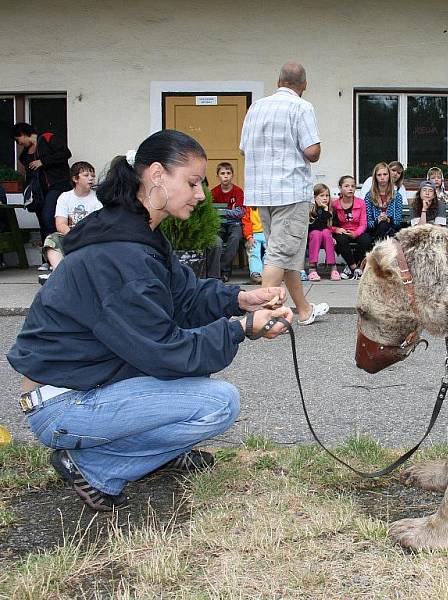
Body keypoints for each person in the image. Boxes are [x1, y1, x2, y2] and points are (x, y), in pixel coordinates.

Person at [6, 130, 292, 512]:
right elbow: (166, 351)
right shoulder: (120, 255)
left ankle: (157, 452)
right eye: (192, 182)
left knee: (195, 374)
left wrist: (241, 299)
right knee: (219, 403)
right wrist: (242, 328)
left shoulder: (137, 233)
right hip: (61, 405)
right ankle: (94, 466)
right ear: (157, 175)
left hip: (89, 383)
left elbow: (185, 297)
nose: (201, 195)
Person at [239, 61, 328, 325]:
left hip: (262, 192)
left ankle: (304, 309)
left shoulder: (256, 107)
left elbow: (244, 148)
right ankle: (261, 315)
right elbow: (312, 151)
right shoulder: (302, 107)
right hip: (289, 190)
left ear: (278, 82)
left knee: (286, 251)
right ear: (304, 85)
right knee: (279, 254)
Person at [12, 122, 72, 269]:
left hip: (58, 185)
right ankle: (47, 259)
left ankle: (57, 256)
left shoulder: (47, 138)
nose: (18, 143)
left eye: (17, 139)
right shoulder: (25, 155)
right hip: (40, 191)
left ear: (22, 134)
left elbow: (65, 153)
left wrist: (43, 161)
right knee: (43, 222)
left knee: (49, 218)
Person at [39, 161, 102, 284]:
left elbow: (99, 223)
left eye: (93, 176)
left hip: (91, 236)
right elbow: (60, 224)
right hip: (71, 235)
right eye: (86, 175)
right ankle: (59, 274)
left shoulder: (98, 197)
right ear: (75, 178)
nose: (91, 179)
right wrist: (75, 235)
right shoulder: (65, 197)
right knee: (51, 240)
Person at [210, 162, 245, 283]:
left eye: (228, 173)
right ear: (217, 176)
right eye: (222, 173)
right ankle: (214, 273)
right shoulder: (213, 192)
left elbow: (239, 213)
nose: (226, 176)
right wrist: (230, 210)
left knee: (235, 238)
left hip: (235, 224)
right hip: (218, 224)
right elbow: (210, 212)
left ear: (232, 175)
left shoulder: (238, 191)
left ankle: (224, 271)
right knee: (216, 241)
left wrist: (220, 210)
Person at [331, 175, 369, 280]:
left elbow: (363, 224)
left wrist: (355, 233)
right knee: (341, 239)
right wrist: (336, 229)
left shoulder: (361, 203)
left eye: (353, 186)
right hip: (342, 231)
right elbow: (329, 224)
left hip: (356, 230)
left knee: (366, 239)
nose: (350, 188)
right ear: (340, 188)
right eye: (346, 186)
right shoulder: (334, 204)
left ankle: (349, 267)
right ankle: (354, 267)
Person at [307, 183, 340, 281]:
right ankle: (312, 268)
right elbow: (315, 226)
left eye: (327, 195)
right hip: (313, 235)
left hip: (326, 236)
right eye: (321, 196)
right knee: (317, 233)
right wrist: (324, 211)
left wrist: (332, 236)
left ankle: (333, 267)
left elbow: (332, 226)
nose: (325, 198)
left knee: (326, 232)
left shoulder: (331, 210)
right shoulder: (311, 210)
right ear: (315, 197)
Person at [364, 162, 403, 242]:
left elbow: (398, 223)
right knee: (382, 225)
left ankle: (381, 251)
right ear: (375, 177)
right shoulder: (369, 196)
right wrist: (378, 220)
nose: (382, 177)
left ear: (389, 176)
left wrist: (388, 219)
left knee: (384, 225)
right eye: (379, 175)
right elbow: (368, 224)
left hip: (391, 230)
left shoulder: (397, 196)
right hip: (374, 231)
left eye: (385, 174)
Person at [242, 206, 266, 284]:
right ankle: (255, 273)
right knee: (254, 252)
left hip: (267, 233)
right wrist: (249, 237)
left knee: (271, 252)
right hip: (254, 234)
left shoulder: (269, 206)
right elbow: (246, 222)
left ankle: (267, 272)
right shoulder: (249, 208)